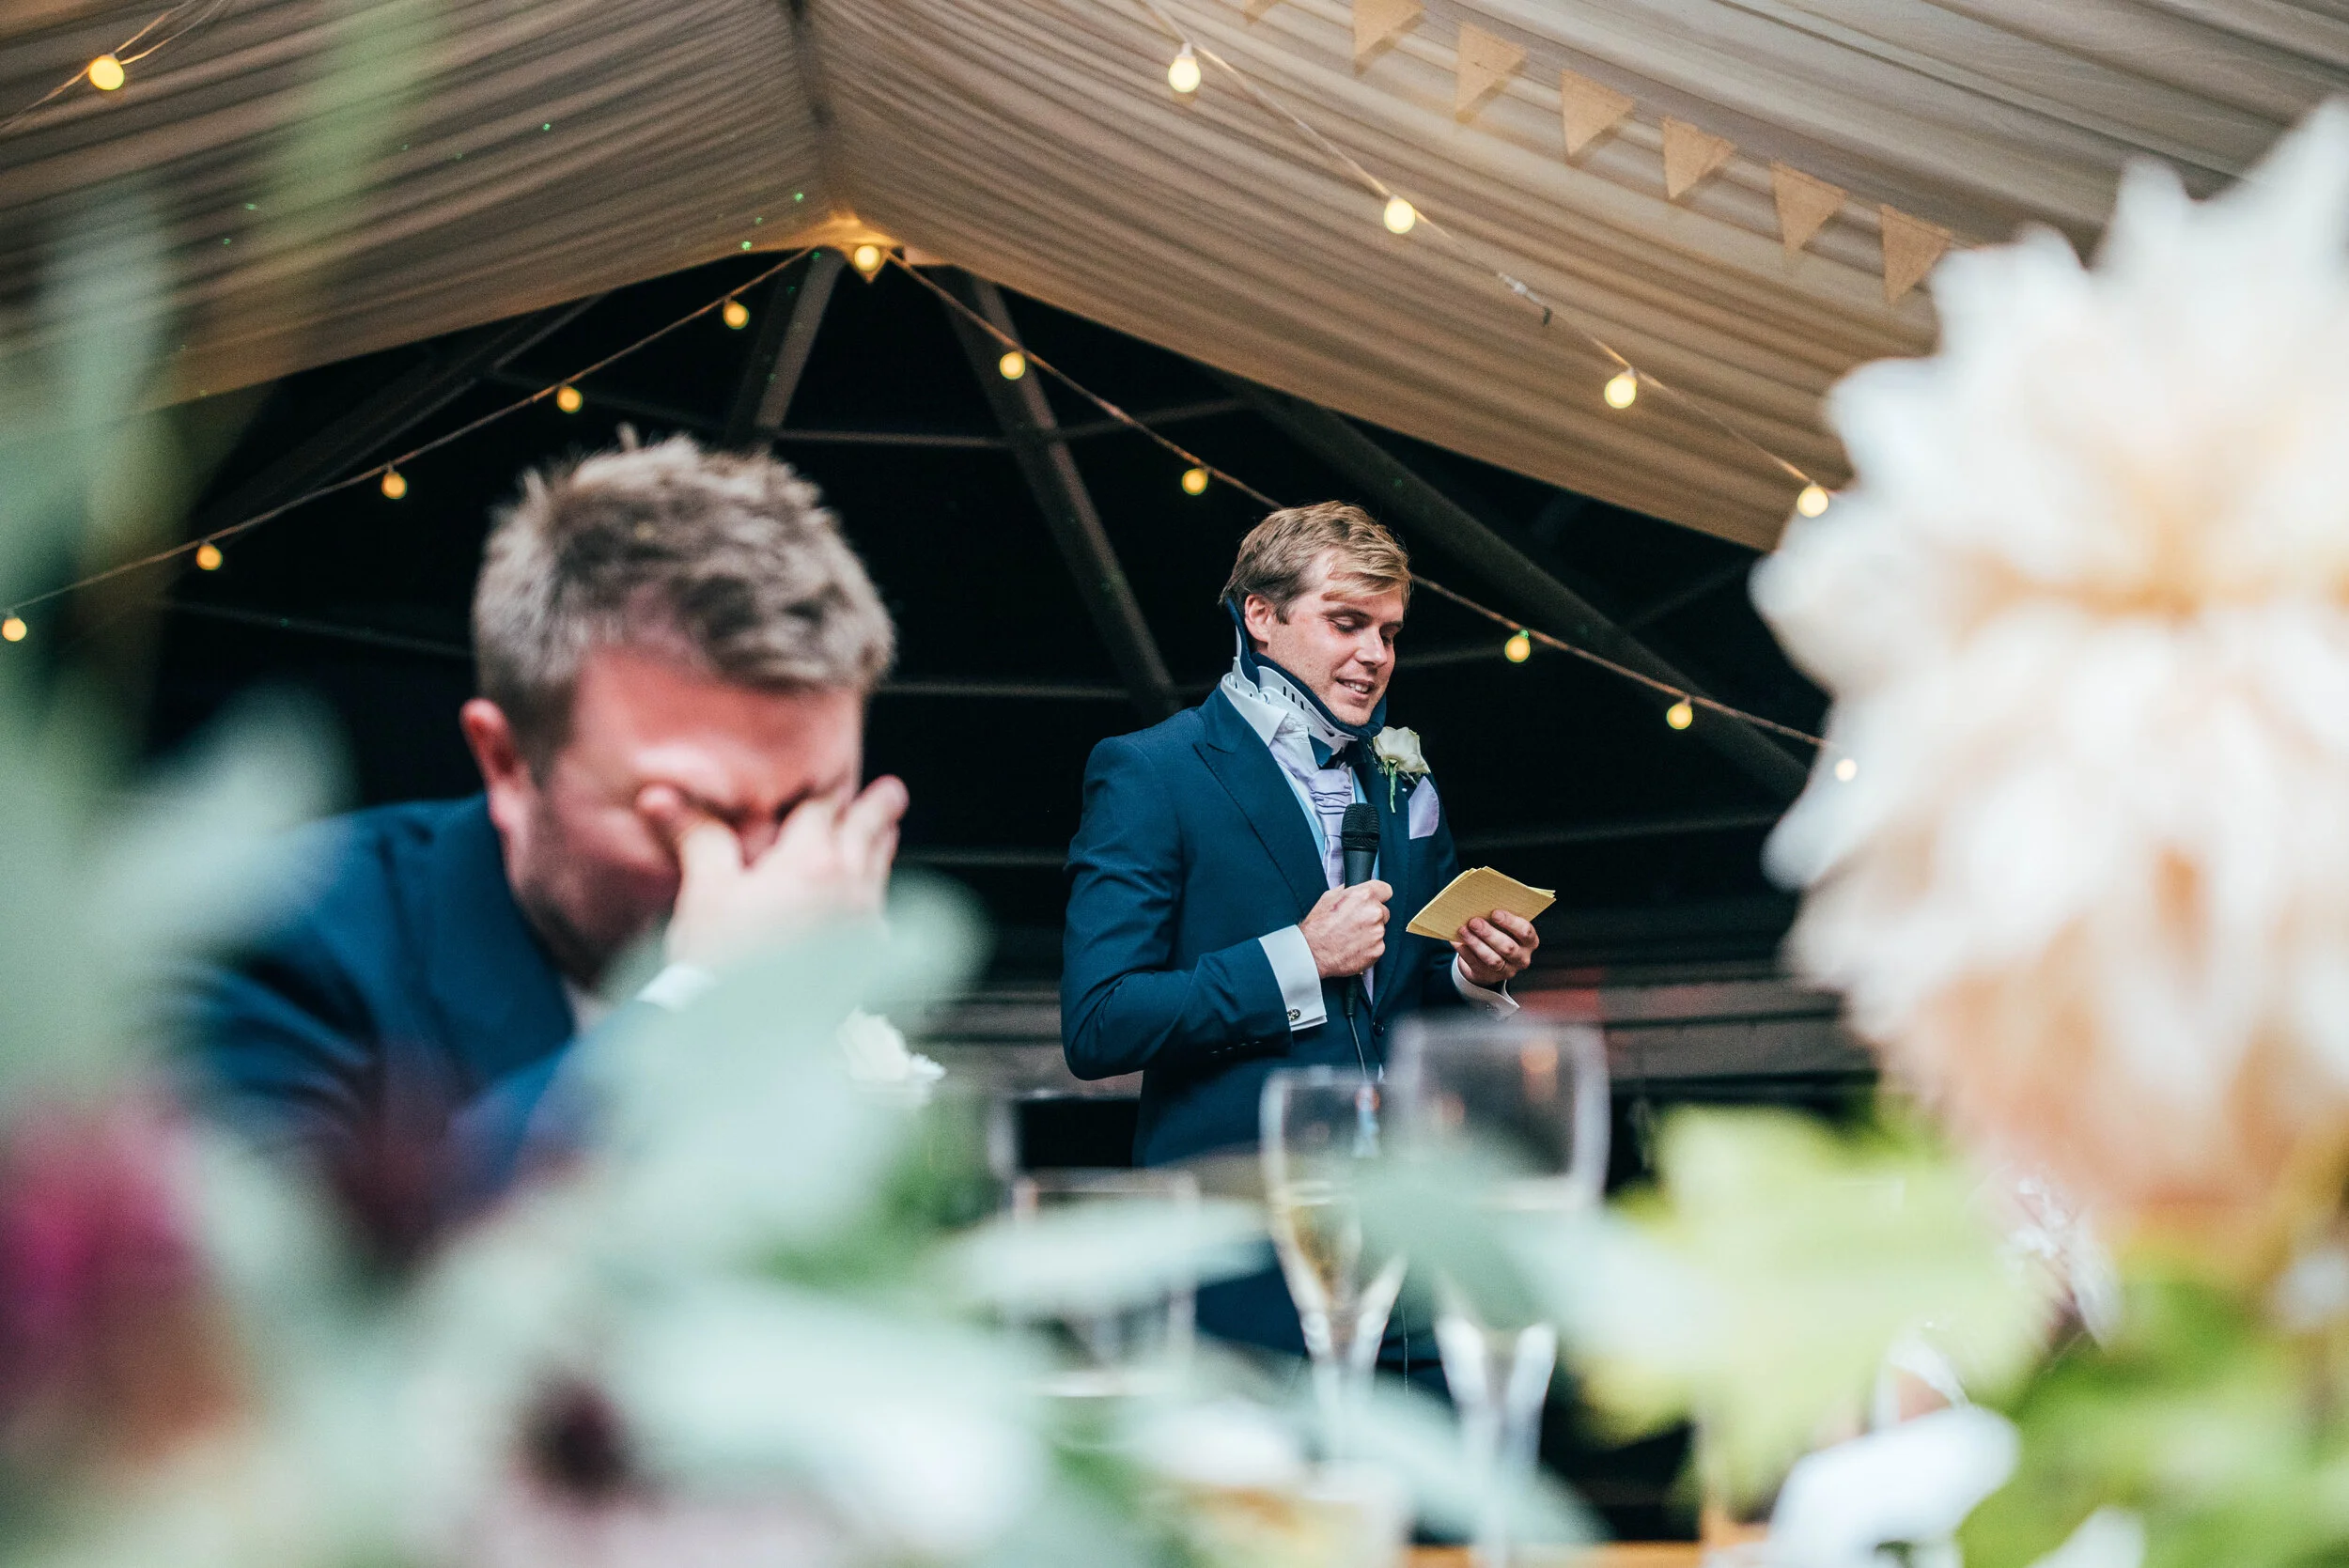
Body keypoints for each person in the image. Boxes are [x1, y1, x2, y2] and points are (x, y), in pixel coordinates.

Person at [170, 434, 905, 1224]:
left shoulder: (817, 920)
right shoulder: (266, 941)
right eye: (695, 815)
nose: (774, 878)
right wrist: (700, 1009)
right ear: (508, 762)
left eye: (812, 807)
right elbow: (306, 1311)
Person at [1060, 503, 1539, 1350]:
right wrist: (1299, 959)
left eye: (1389, 633)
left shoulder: (1403, 780)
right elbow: (1100, 1021)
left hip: (1410, 1260)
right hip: (1243, 1264)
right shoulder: (1152, 771)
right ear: (1262, 616)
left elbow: (1403, 992)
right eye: (1347, 622)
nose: (1374, 656)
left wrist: (1474, 975)